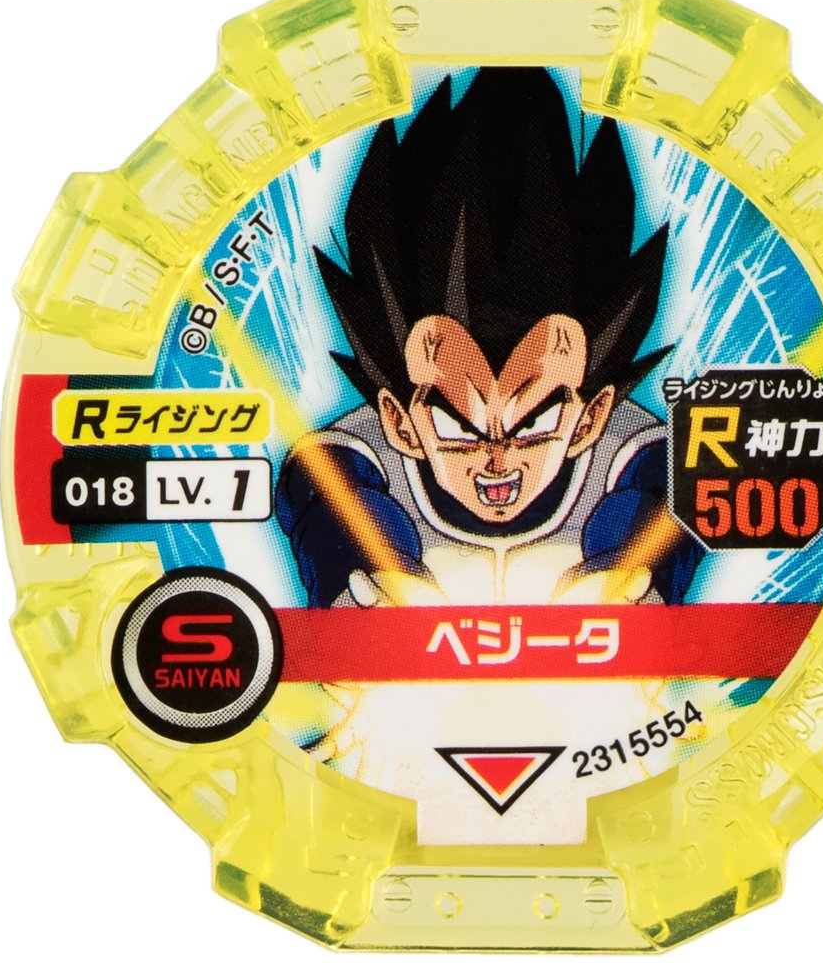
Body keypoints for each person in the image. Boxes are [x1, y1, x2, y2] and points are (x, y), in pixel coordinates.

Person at [275, 67, 703, 607]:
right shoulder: (365, 453)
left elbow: (673, 485)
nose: (497, 458)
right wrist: (362, 573)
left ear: (590, 419)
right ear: (400, 423)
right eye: (457, 426)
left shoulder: (630, 451)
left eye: (536, 423)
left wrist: (633, 572)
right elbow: (321, 484)